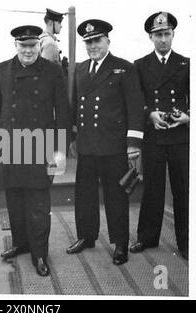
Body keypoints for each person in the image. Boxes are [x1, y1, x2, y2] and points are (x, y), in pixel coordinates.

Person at [0, 25, 70, 276]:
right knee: (14, 201)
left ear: (39, 47)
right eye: (23, 46)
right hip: (8, 145)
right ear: (16, 46)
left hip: (41, 146)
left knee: (38, 205)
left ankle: (40, 254)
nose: (28, 50)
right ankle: (21, 245)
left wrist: (60, 151)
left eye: (33, 46)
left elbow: (62, 112)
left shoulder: (52, 71)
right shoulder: (2, 70)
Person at [66, 19, 144, 265]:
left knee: (116, 195)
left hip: (113, 146)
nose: (92, 45)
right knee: (85, 193)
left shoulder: (124, 68)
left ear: (108, 41)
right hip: (87, 145)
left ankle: (120, 243)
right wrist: (72, 138)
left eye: (97, 40)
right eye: (88, 42)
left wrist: (133, 143)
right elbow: (75, 106)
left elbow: (134, 107)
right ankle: (86, 236)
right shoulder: (80, 69)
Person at [130, 12, 189, 260]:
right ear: (150, 37)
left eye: (166, 34)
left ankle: (186, 243)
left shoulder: (186, 63)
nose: (163, 40)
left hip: (180, 137)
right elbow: (136, 101)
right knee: (152, 188)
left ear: (173, 35)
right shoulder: (140, 65)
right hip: (154, 136)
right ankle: (147, 237)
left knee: (183, 189)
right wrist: (150, 114)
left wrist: (186, 116)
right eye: (158, 35)